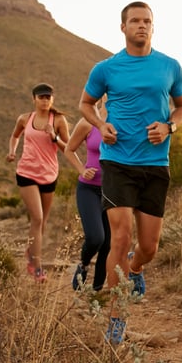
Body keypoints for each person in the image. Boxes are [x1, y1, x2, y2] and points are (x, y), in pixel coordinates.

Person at [79, 1, 182, 345]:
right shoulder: (106, 68)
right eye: (135, 21)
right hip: (117, 162)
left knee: (149, 246)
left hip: (155, 164)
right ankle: (117, 316)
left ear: (153, 27)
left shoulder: (170, 66)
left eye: (147, 21)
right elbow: (86, 103)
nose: (142, 26)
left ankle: (137, 268)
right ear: (123, 27)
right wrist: (101, 123)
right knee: (120, 236)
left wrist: (170, 126)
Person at [6, 83, 70, 284]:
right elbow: (15, 136)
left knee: (42, 223)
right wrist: (12, 151)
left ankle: (30, 253)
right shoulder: (25, 119)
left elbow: (68, 147)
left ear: (53, 99)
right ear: (34, 98)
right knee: (37, 218)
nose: (45, 100)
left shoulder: (59, 120)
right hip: (26, 172)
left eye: (48, 97)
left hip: (49, 175)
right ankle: (37, 268)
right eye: (41, 97)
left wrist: (54, 136)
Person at [64, 96, 109, 291]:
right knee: (96, 237)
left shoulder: (124, 122)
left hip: (113, 191)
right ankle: (83, 264)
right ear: (104, 95)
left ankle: (97, 289)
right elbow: (69, 149)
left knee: (108, 244)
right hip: (89, 188)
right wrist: (82, 170)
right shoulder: (88, 122)